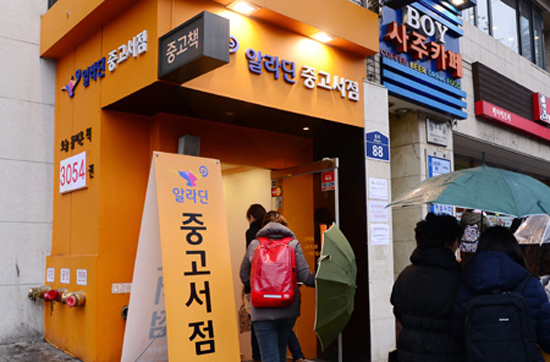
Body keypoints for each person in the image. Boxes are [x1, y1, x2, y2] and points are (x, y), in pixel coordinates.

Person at [452, 226, 550, 361]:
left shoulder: (468, 284)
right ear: (514, 249)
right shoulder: (530, 285)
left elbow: (458, 334)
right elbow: (547, 338)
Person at [240, 211, 315, 362]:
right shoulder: (293, 244)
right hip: (287, 307)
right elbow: (306, 277)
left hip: (261, 308)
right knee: (281, 350)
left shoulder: (254, 245)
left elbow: (243, 275)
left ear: (264, 226)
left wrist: (261, 286)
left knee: (269, 356)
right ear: (285, 226)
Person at [390, 213, 464, 362]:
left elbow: (398, 311)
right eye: (457, 241)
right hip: (448, 354)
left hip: (408, 354)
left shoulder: (406, 275)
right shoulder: (459, 278)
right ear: (447, 242)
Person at [244, 204, 267, 362]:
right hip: (275, 286)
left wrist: (247, 285)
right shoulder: (271, 233)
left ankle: (256, 357)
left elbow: (248, 263)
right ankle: (297, 354)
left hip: (256, 286)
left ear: (251, 216)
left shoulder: (251, 233)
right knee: (277, 322)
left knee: (256, 321)